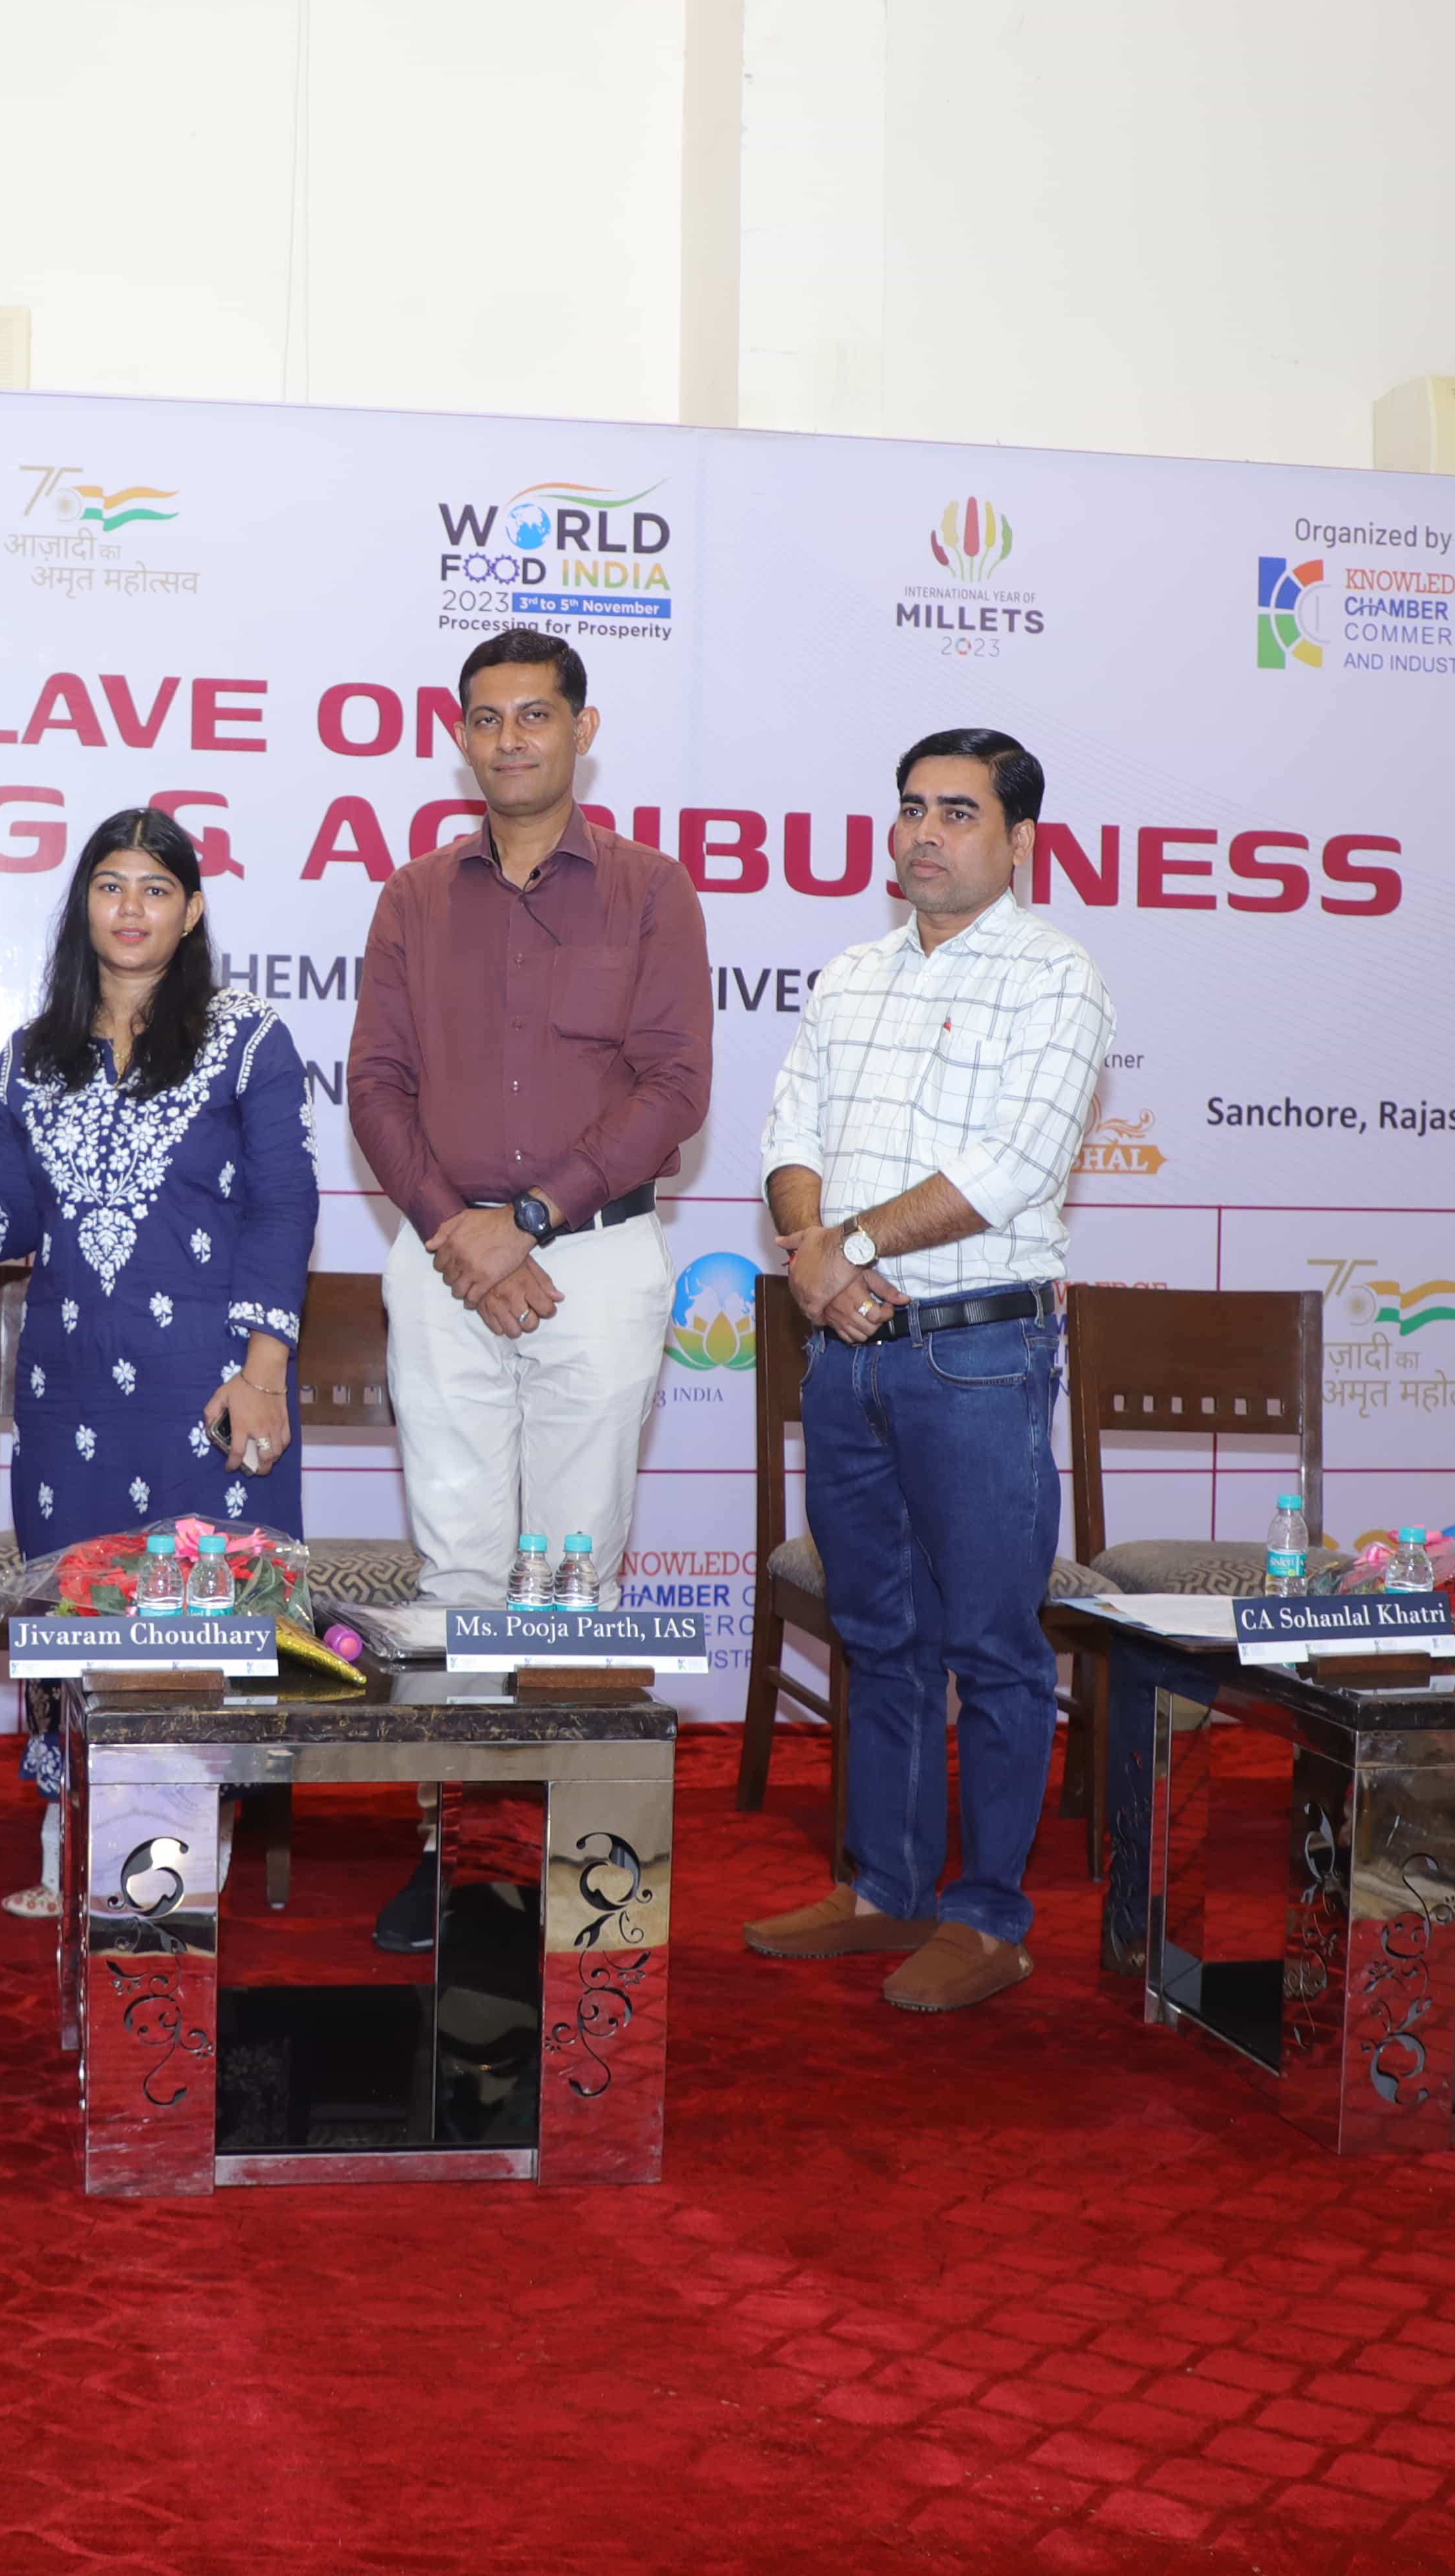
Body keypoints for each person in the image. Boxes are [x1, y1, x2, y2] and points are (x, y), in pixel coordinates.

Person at [344, 627, 708, 1948]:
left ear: (581, 730)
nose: (511, 739)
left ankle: (579, 1873)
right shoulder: (412, 897)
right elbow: (375, 1084)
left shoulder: (652, 890)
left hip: (593, 1257)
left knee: (575, 1575)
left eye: (536, 715)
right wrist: (463, 1232)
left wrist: (532, 1221)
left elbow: (674, 1086)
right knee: (456, 1572)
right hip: (443, 1258)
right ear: (461, 737)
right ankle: (452, 1859)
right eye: (488, 718)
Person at [743, 726, 1112, 2016]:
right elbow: (788, 1134)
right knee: (880, 1635)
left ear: (1020, 840)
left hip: (977, 1354)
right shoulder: (850, 975)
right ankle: (887, 1888)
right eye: (911, 808)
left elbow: (1013, 1168)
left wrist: (841, 1247)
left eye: (958, 812)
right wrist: (817, 1257)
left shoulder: (1056, 977)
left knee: (994, 1645)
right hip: (846, 1350)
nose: (924, 833)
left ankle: (990, 1917)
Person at [0, 807, 312, 1915]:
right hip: (70, 1391)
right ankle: (69, 1841)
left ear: (192, 912)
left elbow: (284, 1208)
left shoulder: (248, 1040)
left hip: (211, 1387)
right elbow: (17, 1230)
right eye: (110, 885)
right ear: (82, 904)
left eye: (156, 888)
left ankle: (178, 1866)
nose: (131, 908)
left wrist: (264, 1373)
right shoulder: (28, 1059)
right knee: (75, 1622)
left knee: (203, 1626)